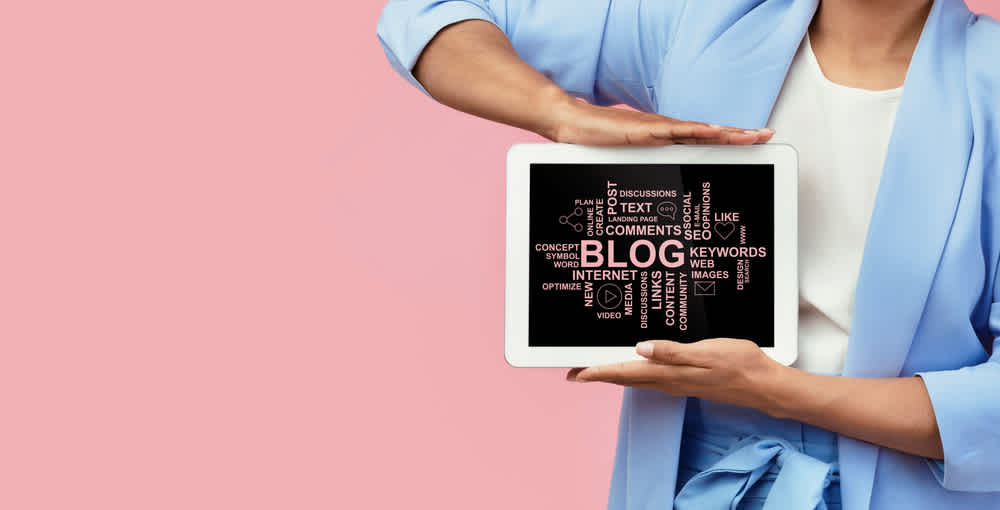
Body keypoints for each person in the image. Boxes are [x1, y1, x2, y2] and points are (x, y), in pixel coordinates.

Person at [376, 0, 1000, 508]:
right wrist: (560, 115)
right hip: (695, 477)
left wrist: (781, 390)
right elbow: (426, 14)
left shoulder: (988, 81)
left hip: (915, 486)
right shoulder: (697, 24)